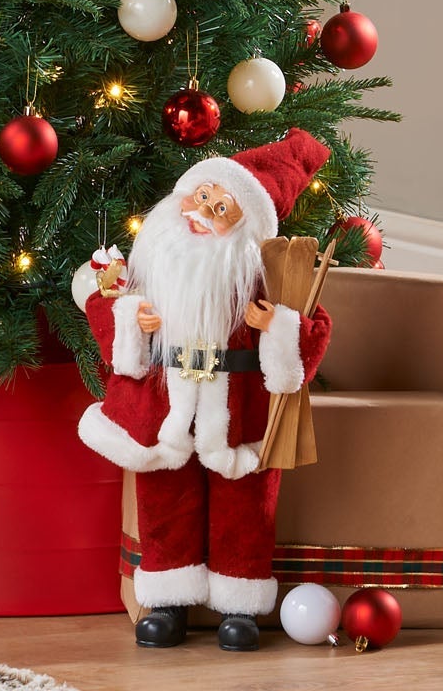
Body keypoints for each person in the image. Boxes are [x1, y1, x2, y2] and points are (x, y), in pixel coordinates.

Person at [73, 128, 332, 650]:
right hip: (165, 408)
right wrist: (129, 318)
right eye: (201, 196)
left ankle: (240, 606)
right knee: (165, 501)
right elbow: (103, 304)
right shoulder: (152, 265)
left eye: (221, 209)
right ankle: (167, 599)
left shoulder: (262, 278)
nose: (202, 212)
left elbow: (315, 327)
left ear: (247, 227)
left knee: (245, 509)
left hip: (239, 412)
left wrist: (276, 324)